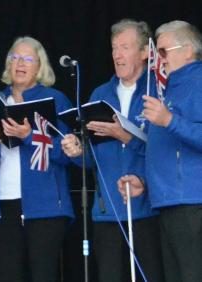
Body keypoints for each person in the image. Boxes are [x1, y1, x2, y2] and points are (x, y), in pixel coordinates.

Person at [61, 19, 164, 282]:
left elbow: (164, 150)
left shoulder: (158, 90)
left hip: (148, 208)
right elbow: (90, 160)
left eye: (125, 47)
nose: (117, 55)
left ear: (144, 53)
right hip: (108, 211)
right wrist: (77, 152)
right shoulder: (100, 93)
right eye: (114, 48)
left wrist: (125, 136)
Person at [0, 36, 74, 282]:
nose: (20, 63)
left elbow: (69, 155)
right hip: (3, 205)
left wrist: (28, 136)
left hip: (44, 205)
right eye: (15, 57)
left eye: (27, 59)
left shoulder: (54, 99)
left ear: (39, 66)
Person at [118, 20, 202, 282]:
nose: (158, 59)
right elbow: (163, 147)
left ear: (188, 50)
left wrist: (169, 120)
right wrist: (143, 180)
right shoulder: (167, 89)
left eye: (163, 51)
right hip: (167, 200)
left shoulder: (198, 80)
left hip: (192, 199)